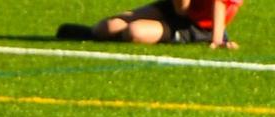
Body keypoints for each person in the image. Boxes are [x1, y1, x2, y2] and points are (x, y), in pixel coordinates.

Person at [56, 0, 243, 48]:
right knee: (106, 27)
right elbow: (180, 8)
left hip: (200, 25)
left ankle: (206, 38)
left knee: (134, 32)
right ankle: (91, 34)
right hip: (179, 8)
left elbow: (219, 4)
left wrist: (217, 39)